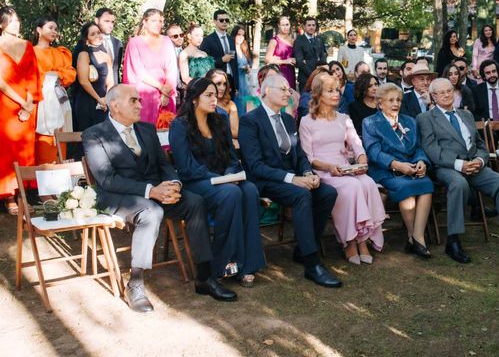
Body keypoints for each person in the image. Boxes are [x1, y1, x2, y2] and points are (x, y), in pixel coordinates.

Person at [83, 84, 236, 312]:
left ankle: (204, 277)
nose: (140, 105)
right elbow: (107, 179)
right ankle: (135, 283)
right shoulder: (94, 134)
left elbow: (164, 165)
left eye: (139, 100)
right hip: (118, 197)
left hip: (157, 192)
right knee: (150, 212)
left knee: (195, 202)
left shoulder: (146, 129)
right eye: (133, 101)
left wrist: (174, 185)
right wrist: (150, 191)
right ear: (114, 105)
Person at [238, 74, 341, 288]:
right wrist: (292, 179)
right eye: (283, 89)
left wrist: (307, 173)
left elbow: (300, 154)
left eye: (288, 89)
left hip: (293, 177)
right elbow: (255, 166)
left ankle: (302, 250)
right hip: (266, 180)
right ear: (266, 91)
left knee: (328, 193)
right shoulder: (250, 120)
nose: (288, 93)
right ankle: (312, 265)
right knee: (302, 195)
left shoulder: (286, 119)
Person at [417, 78, 499, 263]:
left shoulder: (466, 115)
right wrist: (459, 165)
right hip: (446, 167)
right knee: (459, 183)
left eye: (449, 91)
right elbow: (431, 150)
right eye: (441, 92)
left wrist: (479, 160)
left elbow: (480, 145)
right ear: (433, 96)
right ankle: (453, 241)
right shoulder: (425, 118)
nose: (447, 95)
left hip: (474, 166)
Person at [169, 78, 265, 287]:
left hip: (225, 180)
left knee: (248, 190)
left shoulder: (220, 120)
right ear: (195, 99)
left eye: (216, 95)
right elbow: (185, 167)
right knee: (231, 193)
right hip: (196, 182)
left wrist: (231, 174)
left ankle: (248, 265)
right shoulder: (180, 125)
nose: (215, 98)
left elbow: (232, 157)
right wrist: (219, 180)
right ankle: (221, 263)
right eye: (209, 95)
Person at [299, 73, 385, 264]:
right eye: (330, 90)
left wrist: (362, 162)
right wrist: (329, 167)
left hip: (345, 167)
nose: (336, 94)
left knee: (368, 183)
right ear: (318, 94)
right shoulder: (307, 121)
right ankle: (350, 242)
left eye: (337, 89)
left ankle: (363, 239)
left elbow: (357, 144)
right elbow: (308, 157)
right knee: (352, 187)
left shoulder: (344, 118)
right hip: (323, 170)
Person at [362, 83, 434, 258]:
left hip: (411, 167)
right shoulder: (370, 122)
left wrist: (421, 161)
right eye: (391, 100)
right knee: (405, 189)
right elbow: (373, 152)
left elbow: (417, 147)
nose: (396, 104)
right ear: (380, 103)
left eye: (399, 100)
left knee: (427, 184)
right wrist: (397, 165)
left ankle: (415, 238)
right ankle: (417, 238)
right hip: (385, 170)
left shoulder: (409, 120)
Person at [0, 6, 42, 215]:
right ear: (2, 24)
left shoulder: (26, 45)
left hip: (28, 104)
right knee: (6, 151)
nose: (16, 24)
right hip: (5, 106)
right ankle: (8, 196)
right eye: (11, 21)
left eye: (17, 21)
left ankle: (22, 193)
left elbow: (34, 76)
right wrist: (21, 103)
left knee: (25, 150)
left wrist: (30, 103)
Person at [122, 8, 177, 125]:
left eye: (161, 21)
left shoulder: (167, 41)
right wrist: (160, 87)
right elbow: (138, 71)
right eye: (154, 21)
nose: (158, 24)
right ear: (144, 22)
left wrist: (166, 93)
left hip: (166, 93)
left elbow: (172, 69)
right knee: (146, 129)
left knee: (165, 129)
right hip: (144, 92)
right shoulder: (134, 42)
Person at [32, 16, 76, 164]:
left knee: (59, 138)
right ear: (39, 30)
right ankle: (38, 181)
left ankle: (60, 182)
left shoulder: (60, 52)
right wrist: (48, 77)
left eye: (56, 29)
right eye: (50, 27)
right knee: (42, 138)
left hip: (58, 100)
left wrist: (57, 75)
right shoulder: (30, 52)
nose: (54, 31)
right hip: (39, 100)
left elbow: (70, 73)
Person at [72, 22, 114, 132]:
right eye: (93, 34)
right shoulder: (84, 54)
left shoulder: (106, 56)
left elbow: (110, 81)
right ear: (86, 39)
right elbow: (83, 81)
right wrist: (98, 99)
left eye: (98, 32)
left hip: (104, 102)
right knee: (88, 136)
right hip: (86, 101)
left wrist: (106, 98)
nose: (97, 36)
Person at [201, 9, 238, 94]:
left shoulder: (231, 39)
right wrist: (221, 60)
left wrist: (236, 85)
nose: (224, 22)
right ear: (215, 21)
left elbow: (235, 63)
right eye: (221, 20)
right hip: (216, 81)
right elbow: (204, 64)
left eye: (227, 20)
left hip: (230, 81)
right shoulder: (208, 40)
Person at [293, 16, 328, 91]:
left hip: (320, 78)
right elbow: (300, 62)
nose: (311, 27)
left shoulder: (319, 40)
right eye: (309, 25)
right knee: (306, 101)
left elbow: (324, 55)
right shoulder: (298, 41)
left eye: (313, 25)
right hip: (305, 79)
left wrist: (319, 70)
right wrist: (313, 75)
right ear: (304, 27)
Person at [206, 69, 239, 139]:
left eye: (224, 84)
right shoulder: (201, 102)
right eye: (218, 84)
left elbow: (235, 132)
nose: (222, 88)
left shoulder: (230, 104)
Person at [265, 16, 296, 89]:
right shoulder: (274, 40)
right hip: (278, 73)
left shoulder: (293, 40)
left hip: (291, 73)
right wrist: (285, 61)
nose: (285, 27)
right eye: (283, 25)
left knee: (291, 95)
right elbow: (267, 59)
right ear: (279, 26)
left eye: (287, 24)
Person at [94, 8, 123, 84]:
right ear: (96, 21)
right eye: (106, 21)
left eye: (112, 22)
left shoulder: (118, 44)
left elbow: (115, 70)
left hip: (113, 91)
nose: (110, 25)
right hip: (93, 91)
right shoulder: (86, 42)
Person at [231, 24, 253, 116]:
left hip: (245, 82)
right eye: (238, 34)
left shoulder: (244, 48)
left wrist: (248, 68)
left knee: (245, 108)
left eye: (243, 35)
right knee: (236, 107)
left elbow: (249, 65)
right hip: (235, 82)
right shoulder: (230, 49)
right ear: (234, 35)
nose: (241, 37)